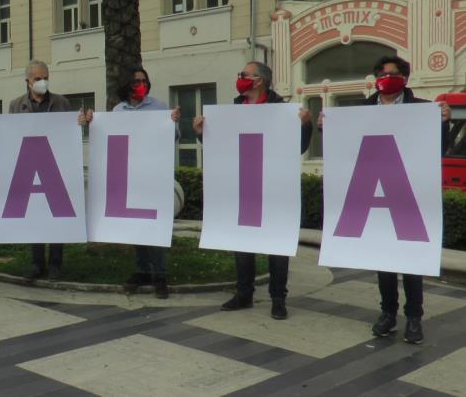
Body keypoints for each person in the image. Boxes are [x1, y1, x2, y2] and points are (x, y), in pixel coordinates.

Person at [319, 55, 450, 344]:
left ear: (405, 78)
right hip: (373, 193)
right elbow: (343, 145)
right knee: (385, 261)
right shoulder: (362, 110)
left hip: (407, 194)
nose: (387, 78)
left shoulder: (423, 110)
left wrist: (442, 123)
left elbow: (438, 149)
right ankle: (388, 314)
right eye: (382, 73)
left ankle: (414, 317)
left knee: (412, 261)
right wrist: (324, 127)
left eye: (393, 73)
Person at [193, 61, 313, 320]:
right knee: (242, 241)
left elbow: (299, 148)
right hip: (243, 186)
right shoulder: (234, 110)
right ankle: (243, 293)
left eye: (244, 75)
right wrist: (202, 134)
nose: (240, 78)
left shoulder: (281, 110)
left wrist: (305, 126)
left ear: (259, 80)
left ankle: (278, 298)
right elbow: (220, 146)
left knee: (277, 244)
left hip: (273, 187)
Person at [77, 67, 180, 298]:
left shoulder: (159, 107)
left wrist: (172, 122)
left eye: (144, 80)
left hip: (152, 175)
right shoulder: (118, 110)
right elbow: (109, 138)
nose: (141, 84)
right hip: (130, 177)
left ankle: (160, 276)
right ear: (127, 85)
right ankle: (142, 271)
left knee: (156, 227)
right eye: (136, 81)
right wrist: (94, 122)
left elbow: (172, 138)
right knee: (138, 227)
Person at [0, 60, 73, 281]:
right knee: (35, 217)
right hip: (28, 166)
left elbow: (70, 131)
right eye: (37, 78)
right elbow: (10, 135)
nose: (42, 82)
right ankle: (36, 264)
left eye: (46, 77)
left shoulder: (61, 103)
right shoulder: (16, 105)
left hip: (55, 166)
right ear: (27, 81)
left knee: (57, 217)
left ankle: (55, 265)